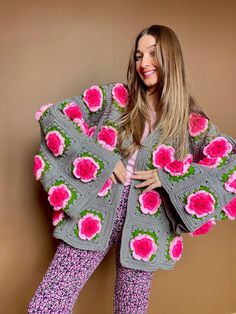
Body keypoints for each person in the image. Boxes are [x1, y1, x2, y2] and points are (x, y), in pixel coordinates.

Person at [28, 25, 236, 313]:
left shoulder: (190, 122)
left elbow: (229, 166)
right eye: (138, 56)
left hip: (147, 228)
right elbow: (54, 117)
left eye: (152, 54)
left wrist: (170, 178)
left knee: (130, 311)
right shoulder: (114, 97)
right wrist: (102, 157)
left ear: (171, 58)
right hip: (95, 214)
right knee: (48, 303)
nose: (144, 63)